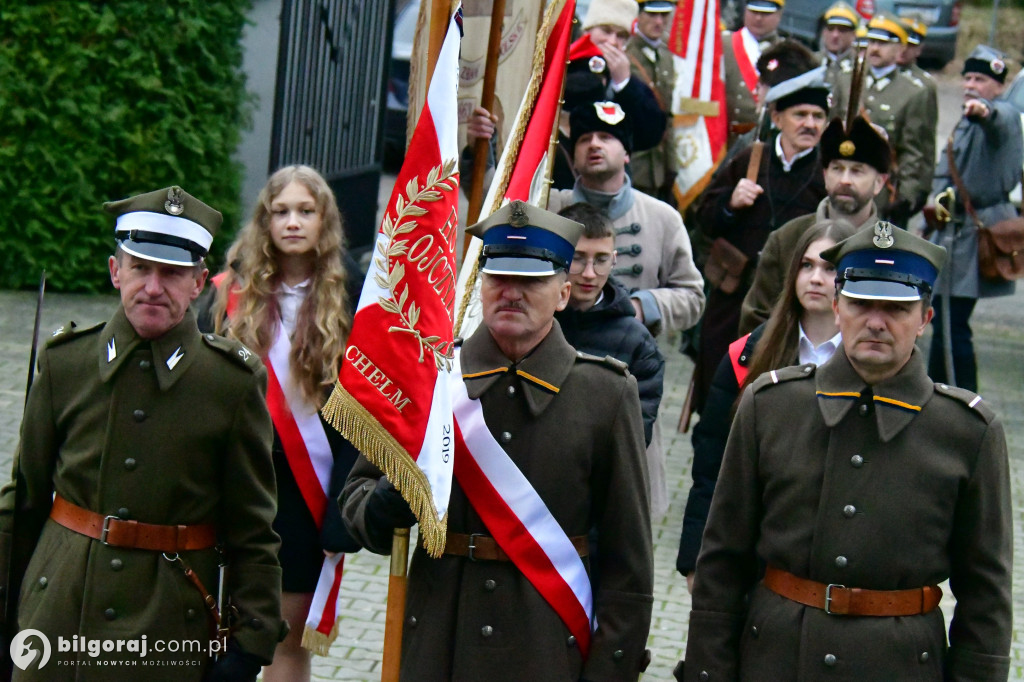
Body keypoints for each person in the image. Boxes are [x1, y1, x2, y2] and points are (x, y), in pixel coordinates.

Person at [680, 224, 1012, 680]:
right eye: (860, 303)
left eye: (896, 307)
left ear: (925, 318)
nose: (876, 321)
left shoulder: (967, 432)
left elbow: (986, 596)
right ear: (837, 308)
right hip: (774, 661)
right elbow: (722, 559)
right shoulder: (771, 406)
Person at [341, 200, 654, 682]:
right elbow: (357, 508)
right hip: (438, 638)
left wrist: (610, 669)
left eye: (531, 281)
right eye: (499, 277)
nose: (512, 292)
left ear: (565, 292)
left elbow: (628, 562)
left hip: (546, 643)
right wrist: (389, 501)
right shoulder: (434, 381)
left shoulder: (606, 394)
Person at [0, 187, 284, 680]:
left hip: (169, 625)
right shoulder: (66, 363)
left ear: (199, 282)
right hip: (58, 615)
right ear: (116, 272)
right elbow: (23, 498)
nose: (154, 287)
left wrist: (251, 644)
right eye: (140, 268)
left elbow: (252, 526)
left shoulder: (230, 384)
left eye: (172, 273)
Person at [202, 166, 362, 681]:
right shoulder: (232, 291)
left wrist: (345, 498)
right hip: (235, 475)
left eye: (306, 211)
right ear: (264, 221)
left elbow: (364, 406)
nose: (293, 222)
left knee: (285, 641)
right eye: (281, 211)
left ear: (325, 221)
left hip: (305, 490)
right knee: (215, 630)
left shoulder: (353, 293)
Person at [677, 220, 856, 592]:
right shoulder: (747, 356)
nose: (816, 278)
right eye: (807, 266)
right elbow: (711, 463)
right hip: (753, 549)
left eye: (830, 268)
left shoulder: (870, 364)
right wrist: (696, 559)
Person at [692, 65, 829, 412]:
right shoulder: (749, 159)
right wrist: (729, 203)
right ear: (776, 116)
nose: (810, 124)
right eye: (800, 114)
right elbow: (703, 219)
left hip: (789, 301)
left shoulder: (826, 174)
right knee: (718, 390)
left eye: (818, 116)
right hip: (732, 301)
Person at [464, 0, 666, 193]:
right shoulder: (565, 62)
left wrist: (624, 84)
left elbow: (650, 134)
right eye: (606, 31)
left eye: (621, 36)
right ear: (589, 30)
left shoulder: (627, 76)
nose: (612, 41)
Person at [547, 101, 705, 338]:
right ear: (574, 158)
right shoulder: (548, 206)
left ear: (627, 154)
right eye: (584, 139)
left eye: (605, 137)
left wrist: (643, 307)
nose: (594, 144)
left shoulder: (663, 218)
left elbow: (692, 298)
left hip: (631, 359)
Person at [926, 45, 1022, 392]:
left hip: (975, 229)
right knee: (942, 314)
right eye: (967, 77)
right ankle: (938, 390)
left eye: (980, 79)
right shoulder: (966, 119)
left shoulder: (1003, 114)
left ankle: (960, 396)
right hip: (951, 226)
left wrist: (984, 111)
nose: (970, 85)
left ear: (998, 85)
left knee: (953, 320)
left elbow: (999, 121)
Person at [739, 114, 891, 334]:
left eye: (857, 171)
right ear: (825, 174)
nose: (845, 180)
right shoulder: (787, 238)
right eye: (837, 168)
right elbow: (756, 320)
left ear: (879, 182)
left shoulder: (891, 249)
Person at [554, 201, 665, 469]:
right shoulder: (532, 323)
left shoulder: (637, 343)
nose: (590, 274)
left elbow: (634, 439)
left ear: (614, 260)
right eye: (578, 259)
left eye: (601, 260)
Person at [841, 14, 935, 228]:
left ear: (900, 49)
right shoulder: (847, 79)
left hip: (881, 192)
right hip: (843, 185)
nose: (874, 49)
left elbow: (913, 149)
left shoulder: (912, 92)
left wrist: (908, 194)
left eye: (883, 44)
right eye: (871, 42)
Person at [626, 0, 678, 202]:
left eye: (664, 15)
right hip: (635, 161)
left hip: (660, 163)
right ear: (639, 15)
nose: (659, 22)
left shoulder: (665, 55)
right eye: (652, 15)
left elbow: (668, 115)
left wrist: (671, 164)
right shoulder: (626, 53)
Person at [722, 0, 784, 146]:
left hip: (766, 143)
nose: (758, 18)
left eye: (765, 14)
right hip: (726, 141)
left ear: (779, 15)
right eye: (754, 12)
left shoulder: (786, 52)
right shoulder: (723, 44)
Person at [816, 1, 859, 92]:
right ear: (824, 32)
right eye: (831, 29)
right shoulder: (811, 61)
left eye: (842, 30)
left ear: (853, 35)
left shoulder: (859, 67)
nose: (835, 35)